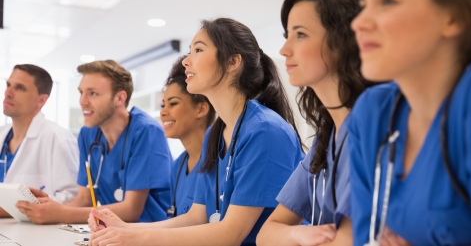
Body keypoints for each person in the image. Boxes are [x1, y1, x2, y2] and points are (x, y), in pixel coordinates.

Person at [87, 18, 304, 246]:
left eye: (198, 50)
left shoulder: (265, 130)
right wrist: (125, 228)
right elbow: (195, 217)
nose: (186, 62)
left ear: (232, 62)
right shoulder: (215, 134)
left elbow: (232, 233)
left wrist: (135, 237)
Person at [348, 0, 471, 245]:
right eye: (364, 4)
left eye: (387, 1)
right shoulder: (372, 113)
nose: (359, 23)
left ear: (455, 15)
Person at [257, 0, 371, 246]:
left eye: (300, 34)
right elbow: (267, 234)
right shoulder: (326, 137)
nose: (284, 50)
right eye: (287, 35)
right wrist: (300, 233)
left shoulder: (370, 130)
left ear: (342, 41)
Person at [16, 60, 173, 224]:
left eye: (93, 93)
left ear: (119, 98)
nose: (82, 101)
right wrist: (47, 210)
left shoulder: (146, 131)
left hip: (151, 232)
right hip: (113, 232)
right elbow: (85, 198)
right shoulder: (88, 134)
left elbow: (131, 210)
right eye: (81, 92)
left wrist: (61, 214)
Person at [0, 64, 79, 218]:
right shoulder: (2, 134)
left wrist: (15, 208)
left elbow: (73, 197)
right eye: (8, 85)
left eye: (20, 88)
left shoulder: (57, 137)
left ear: (41, 100)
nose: (8, 93)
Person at [161, 56, 216, 218]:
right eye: (163, 105)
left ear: (201, 109)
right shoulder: (177, 166)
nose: (163, 112)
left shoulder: (218, 161)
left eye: (173, 103)